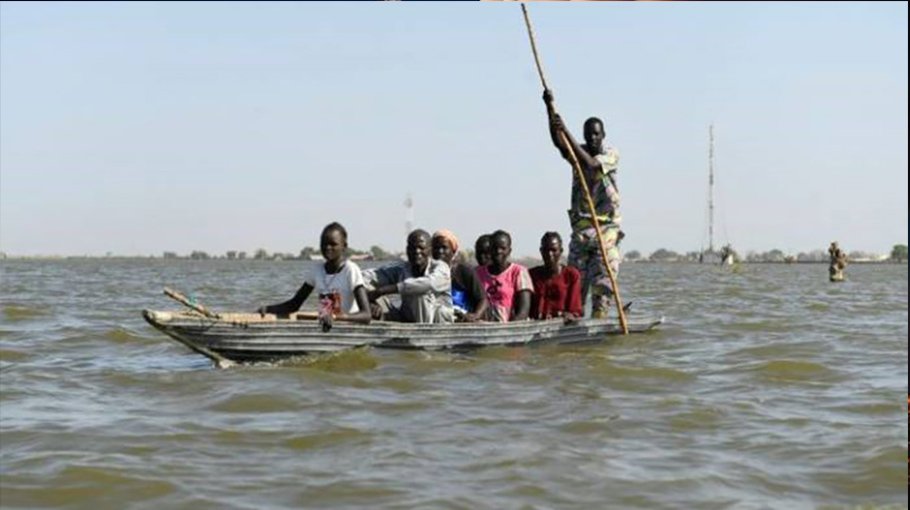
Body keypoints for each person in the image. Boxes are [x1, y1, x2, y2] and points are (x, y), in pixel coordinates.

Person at [543, 88, 621, 319]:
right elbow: (561, 145)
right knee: (575, 280)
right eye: (588, 135)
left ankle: (600, 316)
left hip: (605, 228)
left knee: (603, 281)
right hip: (581, 228)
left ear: (603, 134)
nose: (592, 139)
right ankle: (573, 319)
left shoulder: (610, 153)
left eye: (596, 134)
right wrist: (550, 110)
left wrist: (565, 129)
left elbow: (591, 166)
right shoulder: (581, 150)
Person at [258, 222, 371, 329]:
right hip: (326, 326)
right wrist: (268, 309)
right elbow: (294, 304)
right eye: (324, 243)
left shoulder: (350, 270)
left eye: (333, 244)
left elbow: (366, 315)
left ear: (344, 246)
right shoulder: (317, 270)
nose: (327, 248)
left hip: (349, 327)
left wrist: (336, 317)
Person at [363, 229, 454, 323]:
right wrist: (370, 301)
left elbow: (429, 284)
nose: (416, 251)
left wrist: (382, 290)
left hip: (436, 323)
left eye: (421, 248)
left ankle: (421, 333)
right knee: (361, 287)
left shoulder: (441, 267)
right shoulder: (402, 269)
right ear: (407, 250)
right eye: (412, 248)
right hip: (408, 320)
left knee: (418, 291)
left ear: (429, 250)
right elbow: (365, 277)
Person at [431, 229, 488, 322]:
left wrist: (475, 315)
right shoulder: (428, 272)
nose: (440, 251)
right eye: (436, 248)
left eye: (444, 247)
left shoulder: (464, 272)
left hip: (461, 324)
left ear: (453, 250)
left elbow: (483, 299)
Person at [476, 230, 533, 322]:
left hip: (510, 330)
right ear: (490, 250)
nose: (499, 251)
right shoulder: (478, 273)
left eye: (503, 248)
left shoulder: (518, 272)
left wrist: (509, 329)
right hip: (483, 330)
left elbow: (523, 311)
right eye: (495, 248)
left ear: (509, 251)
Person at [529, 232, 582, 323]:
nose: (550, 254)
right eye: (546, 250)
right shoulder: (531, 275)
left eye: (554, 250)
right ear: (541, 251)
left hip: (561, 329)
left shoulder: (571, 275)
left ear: (560, 251)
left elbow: (574, 310)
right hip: (535, 326)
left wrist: (566, 315)